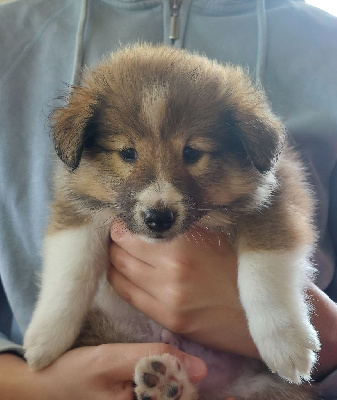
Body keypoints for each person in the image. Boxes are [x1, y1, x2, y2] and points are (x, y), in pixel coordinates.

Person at [0, 0, 336, 398]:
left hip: (261, 376)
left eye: (192, 153)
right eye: (128, 153)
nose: (158, 193)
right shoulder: (12, 33)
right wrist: (31, 383)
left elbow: (273, 213)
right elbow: (74, 219)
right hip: (103, 362)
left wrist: (306, 330)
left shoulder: (324, 45)